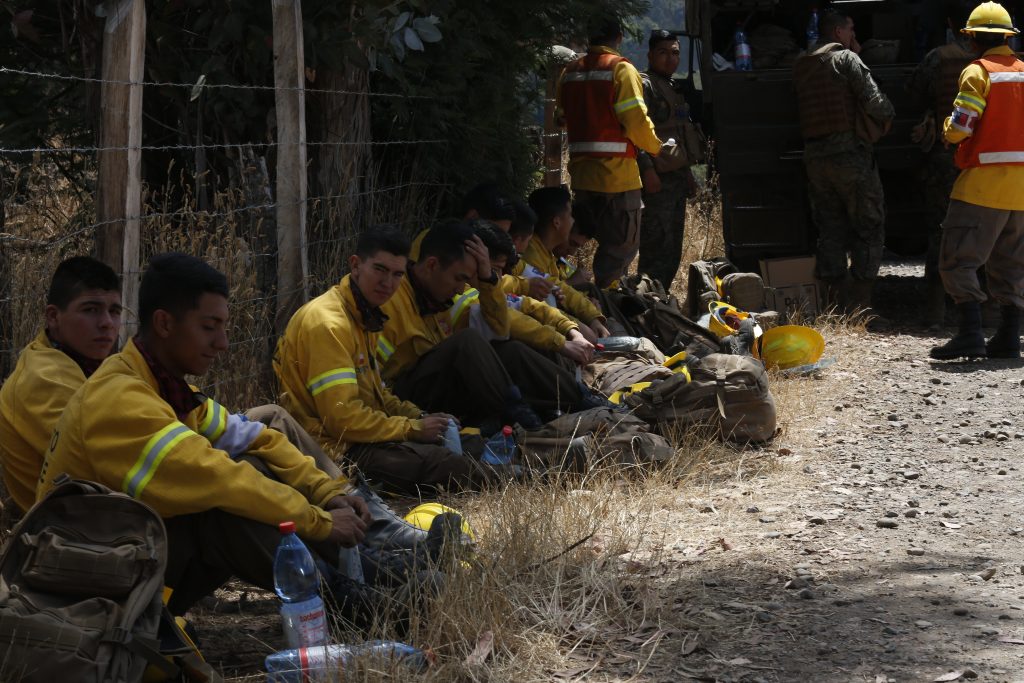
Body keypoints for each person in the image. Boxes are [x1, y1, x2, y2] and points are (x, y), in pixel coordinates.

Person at [37, 253, 435, 621]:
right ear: (163, 323)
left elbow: (257, 438)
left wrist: (327, 490)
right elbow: (222, 481)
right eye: (209, 328)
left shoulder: (158, 383)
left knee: (250, 459)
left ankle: (371, 573)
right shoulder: (120, 398)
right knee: (220, 508)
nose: (223, 343)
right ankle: (348, 605)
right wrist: (318, 521)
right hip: (89, 592)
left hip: (125, 556)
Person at [275, 225, 496, 494]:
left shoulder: (363, 314)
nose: (388, 283)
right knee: (443, 465)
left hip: (362, 438)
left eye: (397, 274)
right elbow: (342, 421)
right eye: (379, 270)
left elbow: (378, 395)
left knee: (465, 442)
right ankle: (526, 477)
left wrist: (422, 417)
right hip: (332, 452)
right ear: (355, 266)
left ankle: (526, 462)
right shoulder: (328, 324)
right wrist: (412, 428)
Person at [379, 220, 583, 429]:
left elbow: (500, 328)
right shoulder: (390, 300)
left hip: (435, 391)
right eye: (459, 279)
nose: (460, 289)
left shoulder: (437, 294)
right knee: (468, 342)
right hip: (403, 401)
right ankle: (527, 424)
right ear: (432, 265)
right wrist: (415, 419)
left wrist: (487, 279)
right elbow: (372, 383)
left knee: (507, 350)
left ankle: (580, 400)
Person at [930, 2, 1024, 361]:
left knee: (957, 260)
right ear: (1006, 37)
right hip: (1021, 192)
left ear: (972, 40)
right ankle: (1008, 338)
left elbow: (961, 126)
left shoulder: (977, 72)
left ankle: (970, 334)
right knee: (1011, 265)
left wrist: (945, 132)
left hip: (982, 187)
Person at [0, 257, 121, 514]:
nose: (107, 323)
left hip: (91, 513)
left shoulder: (84, 361)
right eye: (91, 310)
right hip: (71, 530)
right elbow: (111, 461)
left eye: (115, 311)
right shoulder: (46, 378)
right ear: (53, 317)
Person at [793, 10, 895, 311]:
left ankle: (835, 305)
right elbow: (879, 106)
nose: (854, 36)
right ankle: (860, 307)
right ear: (839, 32)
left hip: (816, 160)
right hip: (851, 158)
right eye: (851, 30)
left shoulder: (802, 63)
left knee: (830, 229)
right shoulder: (846, 60)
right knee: (869, 226)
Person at [557, 16, 662, 288]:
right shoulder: (622, 70)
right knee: (619, 249)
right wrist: (656, 148)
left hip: (582, 179)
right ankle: (606, 307)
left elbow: (561, 118)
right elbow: (636, 121)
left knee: (575, 238)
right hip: (618, 180)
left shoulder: (568, 73)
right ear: (619, 38)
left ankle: (566, 290)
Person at [906, 3, 976, 325]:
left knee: (940, 231)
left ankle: (935, 312)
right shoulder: (1003, 64)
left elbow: (914, 94)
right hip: (985, 161)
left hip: (945, 157)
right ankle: (989, 311)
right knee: (987, 231)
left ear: (950, 23)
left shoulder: (938, 57)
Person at [637, 29, 699, 290]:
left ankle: (660, 299)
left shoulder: (672, 87)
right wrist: (647, 170)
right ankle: (645, 300)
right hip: (657, 179)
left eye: (675, 53)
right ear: (650, 55)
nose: (670, 59)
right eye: (663, 53)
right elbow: (636, 132)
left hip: (675, 177)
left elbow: (679, 134)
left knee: (672, 245)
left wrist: (687, 173)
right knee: (655, 245)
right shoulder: (646, 85)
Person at [525, 186, 611, 342]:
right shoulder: (531, 255)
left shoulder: (545, 254)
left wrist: (592, 317)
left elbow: (563, 289)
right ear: (557, 222)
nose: (573, 220)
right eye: (570, 215)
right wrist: (577, 326)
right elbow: (546, 308)